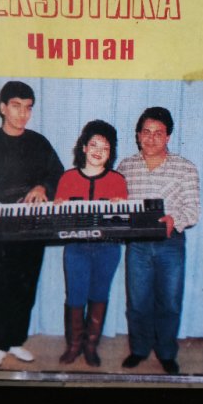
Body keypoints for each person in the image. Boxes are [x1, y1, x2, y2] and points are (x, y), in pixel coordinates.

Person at [0, 81, 64, 368]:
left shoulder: (39, 143)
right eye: (16, 106)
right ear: (3, 107)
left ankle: (16, 341)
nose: (23, 114)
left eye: (28, 108)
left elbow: (58, 175)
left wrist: (43, 187)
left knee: (25, 287)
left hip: (31, 226)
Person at [117, 107, 200, 374]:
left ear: (168, 137)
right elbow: (118, 206)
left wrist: (174, 219)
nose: (151, 138)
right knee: (137, 302)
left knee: (170, 302)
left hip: (170, 244)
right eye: (146, 132)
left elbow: (193, 210)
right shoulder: (125, 167)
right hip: (137, 245)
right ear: (138, 135)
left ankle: (166, 352)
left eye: (158, 133)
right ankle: (139, 349)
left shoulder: (185, 168)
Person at [55, 120, 128, 367]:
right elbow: (58, 223)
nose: (99, 151)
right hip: (76, 248)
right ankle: (74, 345)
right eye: (94, 144)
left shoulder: (118, 180)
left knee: (99, 294)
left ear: (111, 153)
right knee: (75, 296)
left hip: (108, 248)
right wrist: (59, 208)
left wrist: (122, 208)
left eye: (105, 147)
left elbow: (125, 223)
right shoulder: (67, 177)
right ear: (84, 147)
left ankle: (90, 346)